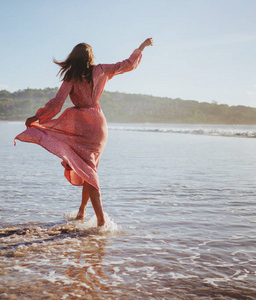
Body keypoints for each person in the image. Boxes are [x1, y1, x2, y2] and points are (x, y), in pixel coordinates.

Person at [15, 38, 153, 227]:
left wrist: (37, 117)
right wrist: (142, 47)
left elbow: (57, 104)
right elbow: (128, 64)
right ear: (91, 58)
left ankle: (101, 221)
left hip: (81, 126)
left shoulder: (71, 77)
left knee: (89, 171)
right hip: (98, 125)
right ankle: (82, 212)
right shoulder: (101, 70)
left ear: (74, 58)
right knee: (89, 169)